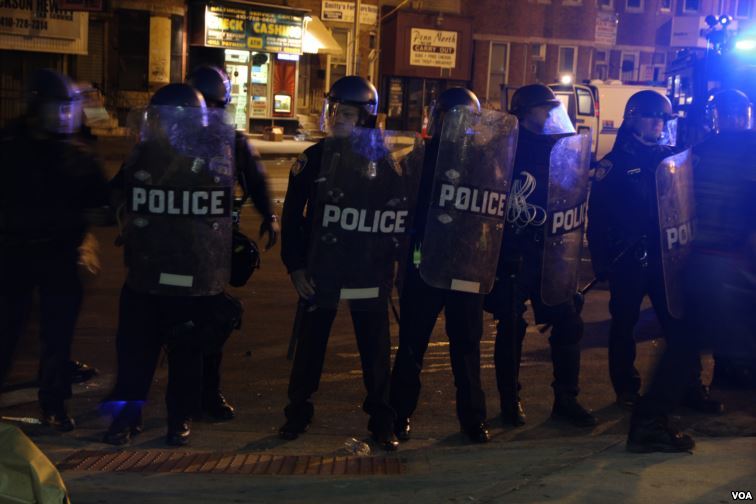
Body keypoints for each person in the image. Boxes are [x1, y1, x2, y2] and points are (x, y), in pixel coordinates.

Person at [103, 83, 242, 446]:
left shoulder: (211, 160)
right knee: (135, 353)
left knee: (186, 354)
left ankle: (179, 418)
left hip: (189, 273)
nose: (162, 127)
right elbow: (115, 196)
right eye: (158, 119)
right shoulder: (142, 155)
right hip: (146, 271)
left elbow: (221, 211)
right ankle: (126, 418)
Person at [586, 90, 721, 452]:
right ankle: (626, 390)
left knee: (679, 323)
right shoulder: (611, 166)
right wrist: (601, 261)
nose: (658, 124)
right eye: (651, 117)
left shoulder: (671, 159)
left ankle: (689, 387)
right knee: (624, 325)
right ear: (632, 119)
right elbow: (596, 220)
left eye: (663, 119)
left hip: (667, 258)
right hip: (629, 260)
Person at [278, 76, 403, 451]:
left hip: (366, 268)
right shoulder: (314, 158)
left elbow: (397, 217)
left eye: (347, 113)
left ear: (366, 118)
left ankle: (382, 420)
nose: (338, 119)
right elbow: (292, 220)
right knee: (310, 345)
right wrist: (295, 267)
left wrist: (391, 266)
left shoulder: (383, 163)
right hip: (323, 267)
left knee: (375, 350)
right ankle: (297, 413)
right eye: (334, 111)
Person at [389, 87, 513, 444]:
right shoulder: (420, 158)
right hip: (424, 262)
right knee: (413, 344)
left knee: (467, 346)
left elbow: (492, 214)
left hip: (465, 264)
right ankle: (398, 414)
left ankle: (473, 418)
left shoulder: (485, 160)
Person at [0, 69, 109, 431]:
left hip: (61, 256)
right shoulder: (9, 146)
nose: (62, 116)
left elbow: (101, 202)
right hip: (12, 255)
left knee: (57, 336)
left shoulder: (77, 152)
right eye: (56, 107)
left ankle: (55, 404)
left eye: (67, 108)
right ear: (36, 107)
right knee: (7, 332)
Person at [484, 84, 596, 428]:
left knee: (568, 322)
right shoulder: (504, 148)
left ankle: (566, 398)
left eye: (551, 109)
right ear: (524, 113)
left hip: (552, 251)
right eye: (542, 109)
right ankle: (509, 400)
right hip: (514, 252)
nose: (550, 115)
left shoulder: (563, 147)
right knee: (511, 326)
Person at [186, 65, 279, 420]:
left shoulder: (232, 141)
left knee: (212, 320)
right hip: (174, 245)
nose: (207, 114)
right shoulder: (168, 137)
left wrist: (270, 216)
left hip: (213, 245)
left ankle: (208, 393)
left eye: (213, 106)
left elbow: (256, 180)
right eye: (201, 106)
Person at [688, 89, 756, 391]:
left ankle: (723, 374)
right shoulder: (749, 148)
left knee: (712, 320)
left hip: (706, 249)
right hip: (737, 248)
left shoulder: (700, 151)